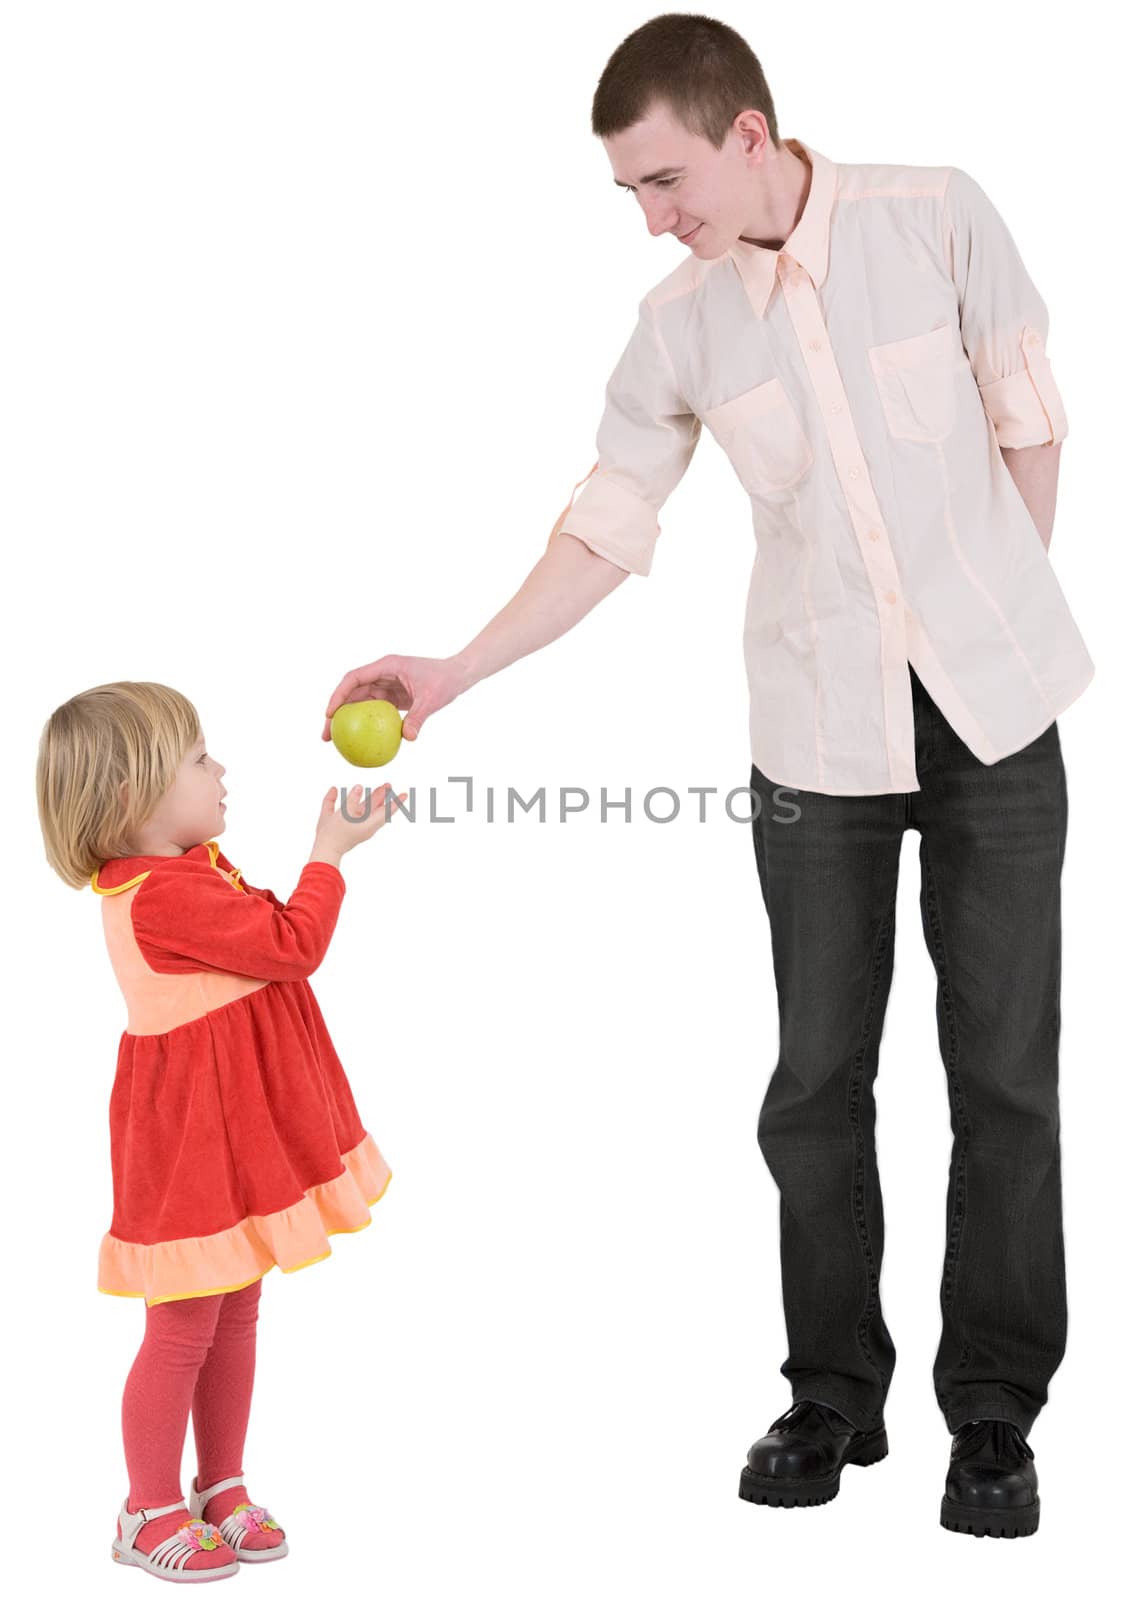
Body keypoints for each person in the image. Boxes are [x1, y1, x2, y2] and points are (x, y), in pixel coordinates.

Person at [321, 14, 1092, 1541]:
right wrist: (457, 668)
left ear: (746, 132)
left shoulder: (932, 210)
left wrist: (980, 638)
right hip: (812, 737)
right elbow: (609, 522)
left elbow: (1028, 429)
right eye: (630, 192)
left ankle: (992, 1417)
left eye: (662, 178)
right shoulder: (678, 324)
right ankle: (830, 1396)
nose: (650, 215)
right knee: (815, 1084)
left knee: (1001, 1077)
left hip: (995, 719)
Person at [35, 680, 405, 1581]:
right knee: (184, 1322)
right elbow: (291, 945)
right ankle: (146, 1508)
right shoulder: (159, 895)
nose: (222, 770)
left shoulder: (185, 870)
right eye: (200, 760)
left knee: (236, 1302)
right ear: (134, 796)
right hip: (195, 1140)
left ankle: (220, 1484)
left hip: (237, 1128)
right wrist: (331, 853)